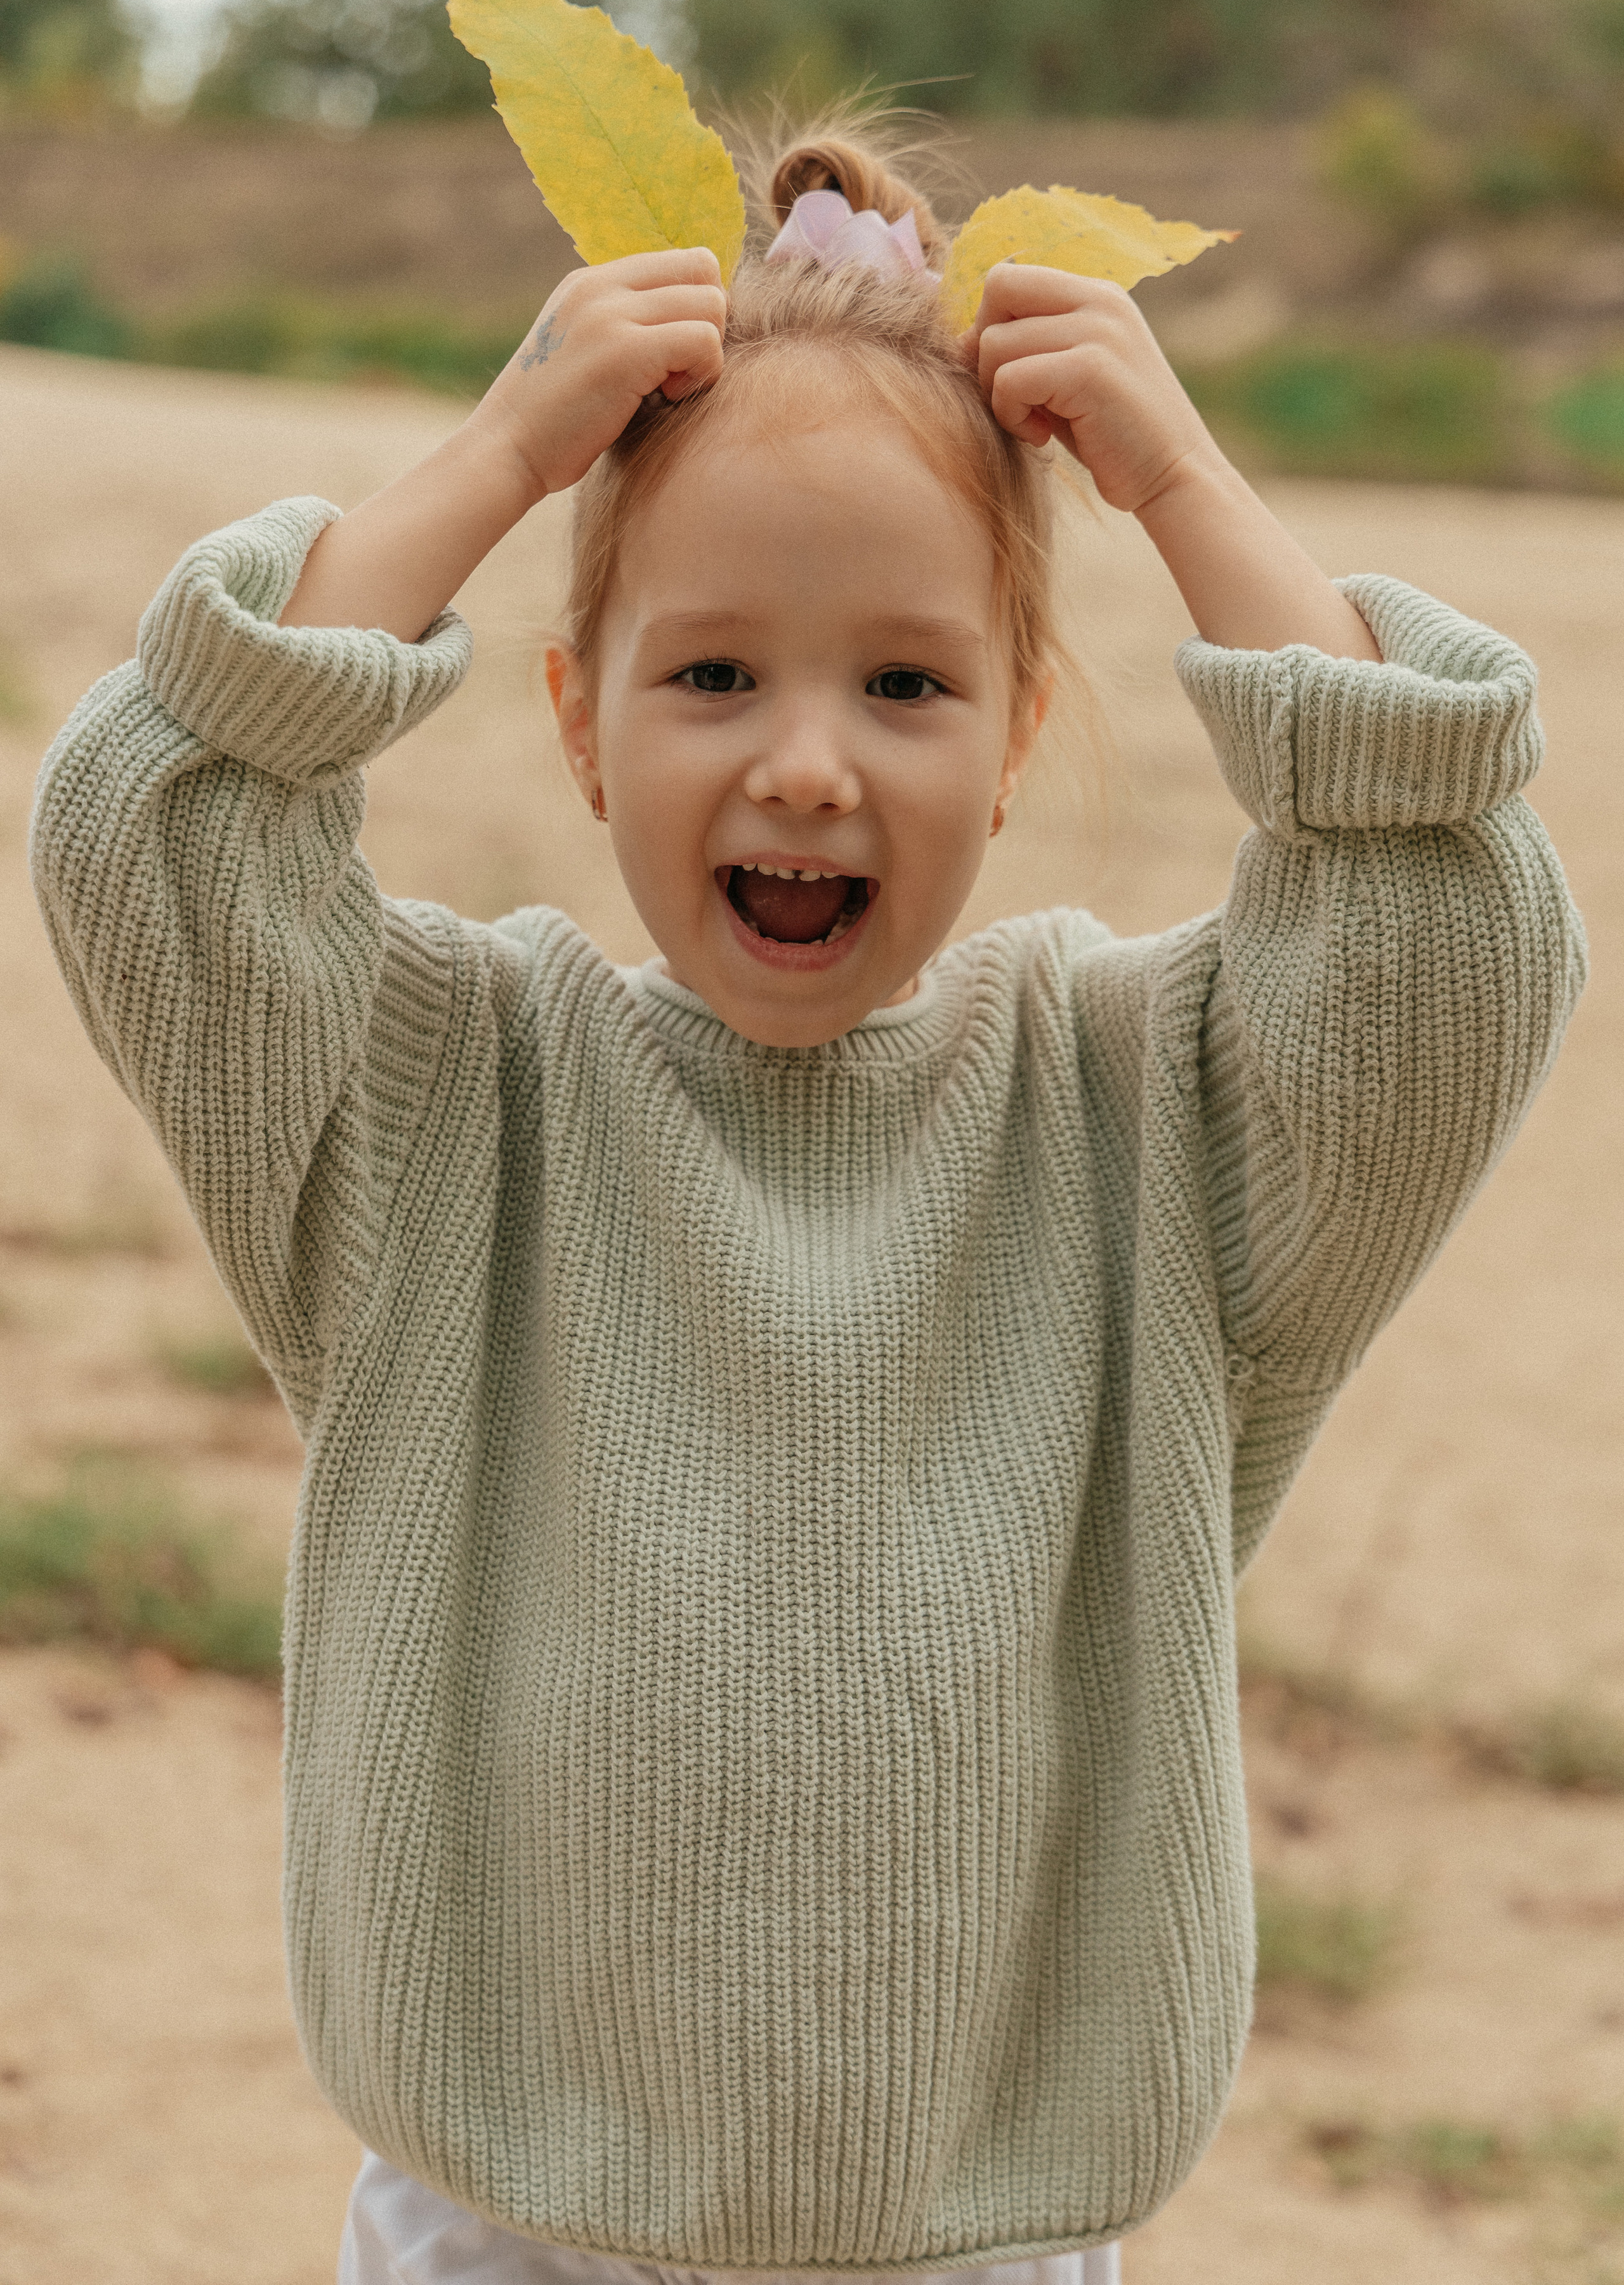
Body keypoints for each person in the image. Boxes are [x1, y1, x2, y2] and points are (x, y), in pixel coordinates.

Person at [30, 131, 1584, 2285]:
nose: (807, 764)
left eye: (910, 683)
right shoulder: (448, 1106)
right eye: (712, 674)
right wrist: (497, 459)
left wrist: (1185, 492)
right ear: (578, 724)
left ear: (1024, 730)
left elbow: (1449, 949)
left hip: (975, 2232)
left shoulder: (1143, 1122)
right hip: (511, 2213)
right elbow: (154, 835)